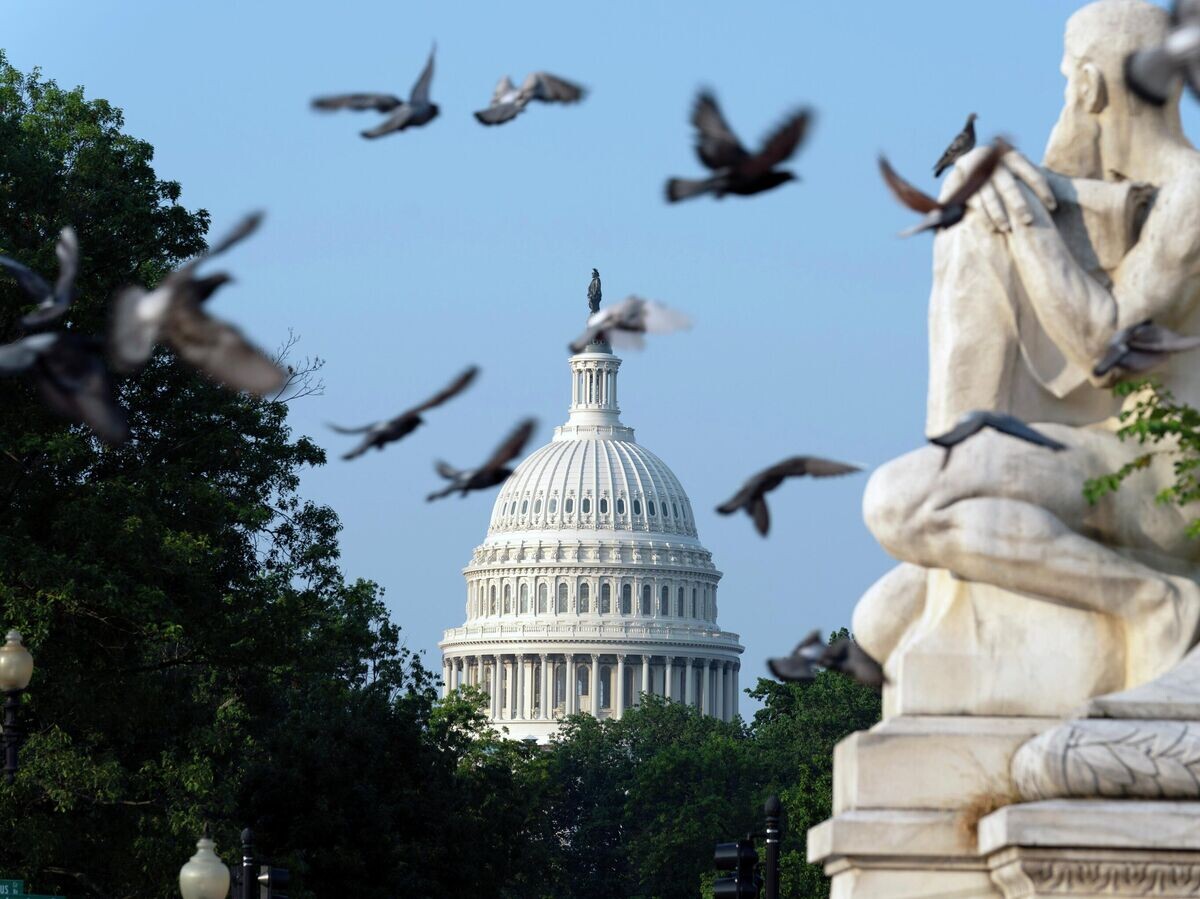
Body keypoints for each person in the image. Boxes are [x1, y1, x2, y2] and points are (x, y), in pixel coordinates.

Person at [855, 0, 1200, 693]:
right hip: (1113, 459)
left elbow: (1107, 342)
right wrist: (1001, 187)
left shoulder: (1191, 192)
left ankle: (1153, 602)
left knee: (897, 501)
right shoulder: (1132, 192)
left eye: (1069, 80)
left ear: (1089, 86)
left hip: (1165, 477)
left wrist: (1020, 218)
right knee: (876, 625)